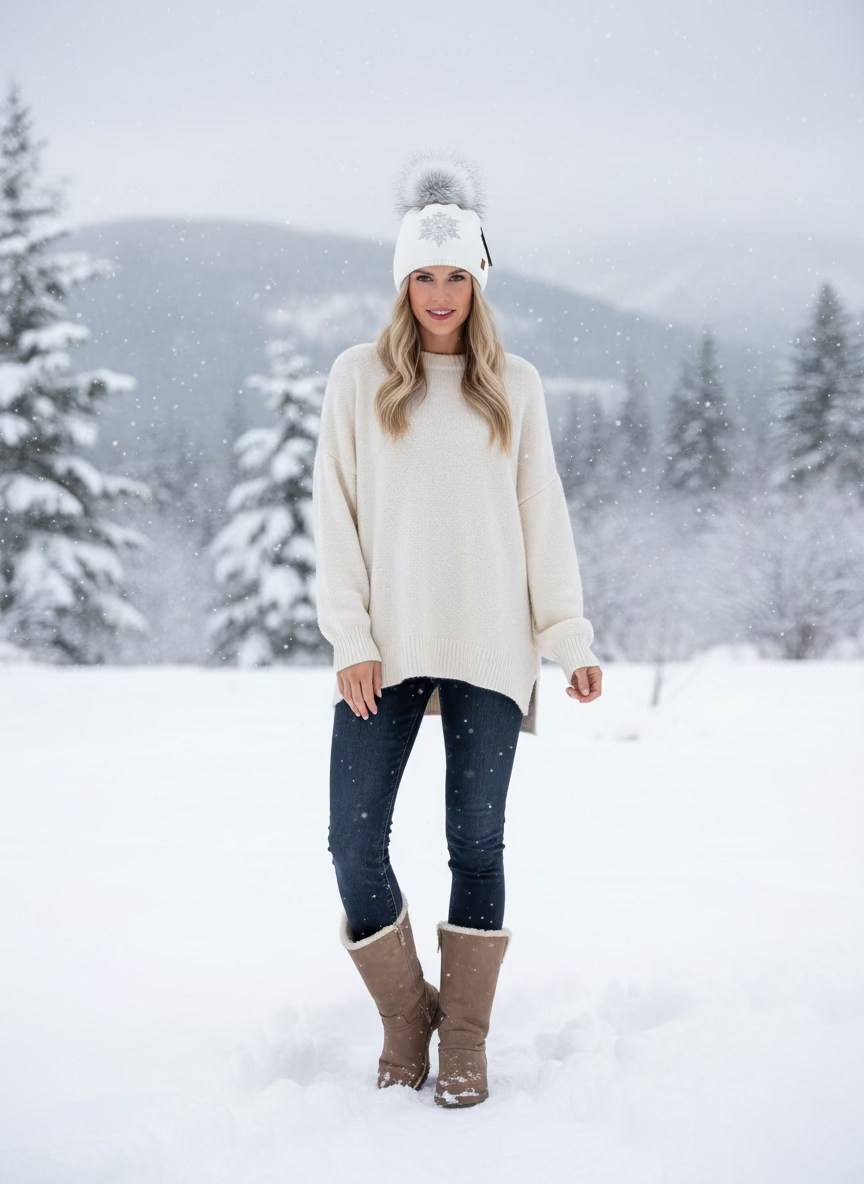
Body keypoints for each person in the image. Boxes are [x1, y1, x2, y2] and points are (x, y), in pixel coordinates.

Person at [311, 148, 603, 1108]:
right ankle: (408, 1016)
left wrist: (568, 634)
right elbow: (335, 518)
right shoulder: (359, 380)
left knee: (476, 847)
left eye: (457, 276)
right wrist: (351, 636)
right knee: (353, 845)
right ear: (403, 283)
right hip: (383, 652)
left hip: (490, 643)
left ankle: (465, 1038)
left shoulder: (512, 386)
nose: (440, 294)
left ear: (480, 279)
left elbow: (542, 517)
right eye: (423, 276)